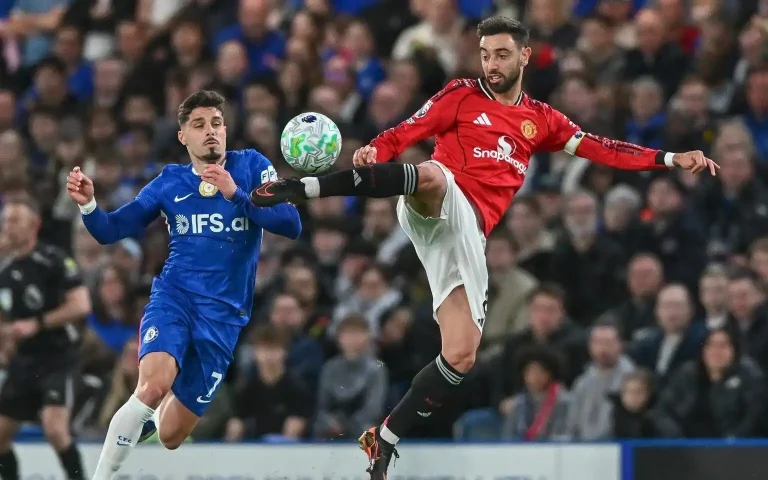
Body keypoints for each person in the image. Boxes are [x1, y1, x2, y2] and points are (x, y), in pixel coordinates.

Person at [251, 16, 719, 479]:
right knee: (432, 175)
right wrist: (377, 148)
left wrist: (671, 158)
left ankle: (384, 438)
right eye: (485, 55)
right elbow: (405, 131)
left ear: (524, 56)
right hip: (439, 200)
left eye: (501, 55)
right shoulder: (459, 95)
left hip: (467, 236)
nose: (492, 64)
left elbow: (604, 148)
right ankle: (302, 188)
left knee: (461, 355)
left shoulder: (541, 119)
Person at [66, 90, 301, 479]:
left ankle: (147, 417)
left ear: (225, 130)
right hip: (175, 300)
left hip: (224, 318)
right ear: (182, 136)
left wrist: (236, 195)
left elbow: (291, 224)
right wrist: (89, 205)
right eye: (199, 125)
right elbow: (110, 230)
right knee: (152, 387)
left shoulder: (251, 167)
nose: (210, 131)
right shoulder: (169, 182)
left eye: (216, 123)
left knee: (171, 435)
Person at [0, 197, 92, 480]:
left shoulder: (53, 260)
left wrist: (37, 324)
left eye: (15, 220)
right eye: (5, 220)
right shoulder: (5, 268)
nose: (7, 226)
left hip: (57, 357)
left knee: (54, 429)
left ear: (34, 225)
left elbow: (81, 304)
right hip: (24, 359)